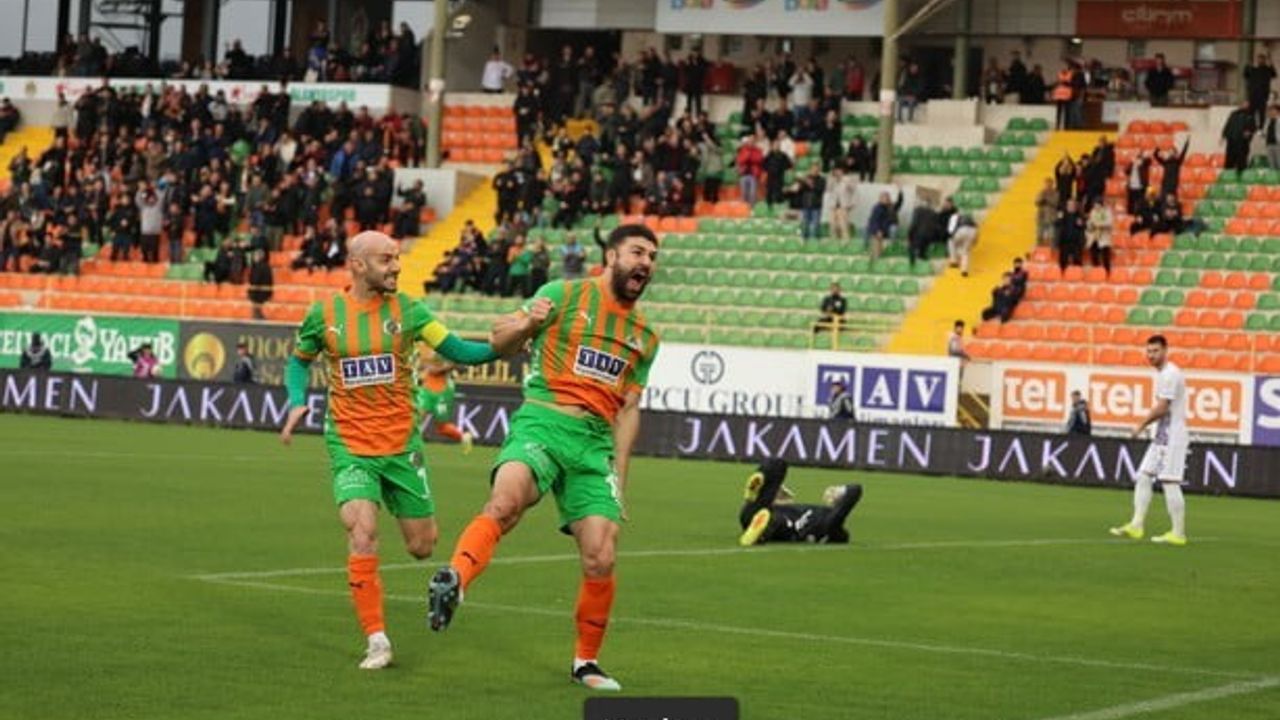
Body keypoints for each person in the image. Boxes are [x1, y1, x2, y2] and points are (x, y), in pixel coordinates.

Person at [426, 224, 661, 693]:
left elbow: (630, 410)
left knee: (601, 554)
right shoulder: (563, 295)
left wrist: (620, 479)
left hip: (593, 445)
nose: (646, 263)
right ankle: (455, 579)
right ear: (611, 256)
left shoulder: (646, 336)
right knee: (506, 502)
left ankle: (586, 663)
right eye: (638, 252)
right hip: (543, 423)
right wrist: (528, 324)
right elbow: (499, 339)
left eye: (653, 257)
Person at [279, 231, 503, 671]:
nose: (396, 266)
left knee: (422, 546)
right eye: (386, 259)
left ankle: (433, 584)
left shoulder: (411, 311)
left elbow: (457, 349)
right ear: (358, 264)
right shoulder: (324, 315)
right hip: (349, 444)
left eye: (397, 258)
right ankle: (377, 640)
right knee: (361, 531)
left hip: (401, 445)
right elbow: (298, 362)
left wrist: (512, 341)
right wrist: (296, 399)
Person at [1109, 335, 1188, 546]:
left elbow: (1162, 408)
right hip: (1162, 436)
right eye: (1149, 351)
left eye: (1155, 351)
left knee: (1170, 481)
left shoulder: (1170, 374)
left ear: (1165, 351)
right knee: (1144, 476)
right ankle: (1137, 524)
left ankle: (1178, 533)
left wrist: (1141, 425)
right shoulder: (1163, 374)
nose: (1151, 355)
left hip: (1172, 436)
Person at [738, 459, 863, 546]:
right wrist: (781, 496)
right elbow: (854, 492)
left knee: (769, 519)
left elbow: (856, 490)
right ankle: (758, 530)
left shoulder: (829, 523)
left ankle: (757, 525)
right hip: (769, 515)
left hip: (769, 520)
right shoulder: (821, 518)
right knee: (779, 464)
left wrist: (839, 491)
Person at [415, 347, 474, 453]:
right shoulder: (427, 349)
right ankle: (411, 447)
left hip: (442, 393)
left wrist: (449, 366)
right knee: (416, 418)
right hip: (426, 390)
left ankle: (463, 437)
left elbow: (436, 369)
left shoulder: (448, 352)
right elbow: (427, 367)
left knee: (442, 427)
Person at [1221, 101, 1257, 178]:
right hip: (1231, 140)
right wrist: (1223, 135)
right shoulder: (1233, 114)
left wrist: (1249, 132)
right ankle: (1228, 176)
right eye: (1243, 104)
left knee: (1242, 159)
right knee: (1229, 159)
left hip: (1243, 142)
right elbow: (1228, 124)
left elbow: (1253, 128)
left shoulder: (1250, 115)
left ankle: (1242, 176)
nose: (1244, 106)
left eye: (1246, 104)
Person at [865, 188, 903, 259]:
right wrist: (878, 230)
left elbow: (899, 202)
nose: (887, 199)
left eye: (888, 198)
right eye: (885, 198)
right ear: (880, 199)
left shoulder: (890, 206)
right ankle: (875, 255)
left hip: (884, 229)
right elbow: (874, 221)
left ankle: (879, 253)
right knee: (876, 243)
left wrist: (900, 191)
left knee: (880, 247)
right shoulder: (877, 208)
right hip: (877, 229)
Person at [1243, 53, 1276, 128]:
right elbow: (1245, 75)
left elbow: (1274, 74)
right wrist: (1247, 65)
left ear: (1264, 60)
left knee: (1262, 113)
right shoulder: (1253, 70)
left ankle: (1261, 128)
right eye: (1258, 59)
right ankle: (1250, 127)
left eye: (1262, 59)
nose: (1260, 60)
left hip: (1263, 95)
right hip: (1253, 94)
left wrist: (1271, 63)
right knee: (1251, 112)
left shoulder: (1267, 70)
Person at [946, 208, 978, 277]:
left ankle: (954, 260)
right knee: (965, 252)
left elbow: (951, 230)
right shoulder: (970, 218)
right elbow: (976, 228)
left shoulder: (954, 217)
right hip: (973, 232)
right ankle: (964, 270)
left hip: (962, 230)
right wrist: (974, 242)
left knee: (950, 241)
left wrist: (951, 235)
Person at [1086, 199, 1114, 275]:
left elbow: (1109, 223)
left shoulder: (1107, 212)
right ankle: (1097, 271)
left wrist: (1100, 224)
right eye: (1095, 205)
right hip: (1094, 237)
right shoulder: (1093, 212)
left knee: (1105, 256)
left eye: (1097, 205)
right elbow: (1089, 223)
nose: (1096, 207)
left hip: (1104, 237)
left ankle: (1107, 272)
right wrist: (1090, 225)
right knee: (1094, 254)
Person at [1264, 105, 1280, 171]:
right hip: (1269, 143)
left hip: (1278, 144)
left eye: (1273, 110)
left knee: (1278, 162)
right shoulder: (1268, 121)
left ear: (1278, 111)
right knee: (1271, 164)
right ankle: (1273, 176)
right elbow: (1265, 131)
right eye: (1270, 110)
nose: (1271, 112)